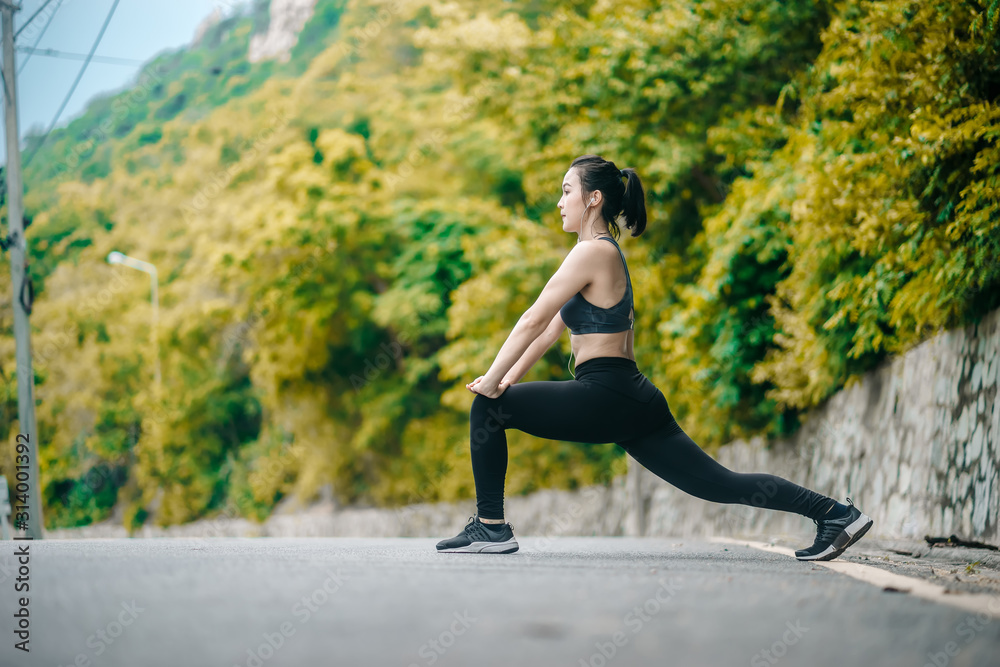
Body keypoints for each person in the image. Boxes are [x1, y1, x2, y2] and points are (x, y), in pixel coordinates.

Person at [435, 155, 873, 560]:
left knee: (488, 409)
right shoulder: (600, 253)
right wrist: (505, 379)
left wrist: (491, 384)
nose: (559, 201)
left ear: (594, 198)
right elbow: (549, 331)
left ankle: (491, 526)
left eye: (567, 191)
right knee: (720, 484)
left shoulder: (593, 252)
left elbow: (532, 318)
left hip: (607, 392)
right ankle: (834, 513)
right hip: (628, 398)